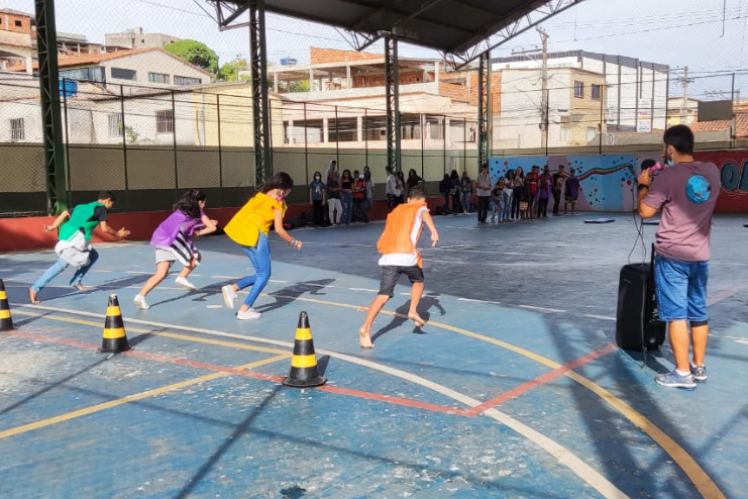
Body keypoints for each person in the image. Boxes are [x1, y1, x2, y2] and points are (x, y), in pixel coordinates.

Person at [638, 125, 720, 390]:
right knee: (698, 312)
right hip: (700, 255)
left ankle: (682, 373)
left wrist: (643, 185)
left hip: (673, 256)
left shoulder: (667, 178)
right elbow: (688, 187)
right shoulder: (712, 172)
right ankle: (698, 366)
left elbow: (646, 212)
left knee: (676, 315)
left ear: (669, 148)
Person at [359, 185, 439, 348]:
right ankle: (412, 310)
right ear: (422, 201)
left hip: (389, 256)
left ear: (408, 199)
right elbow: (425, 214)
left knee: (383, 296)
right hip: (407, 255)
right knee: (418, 281)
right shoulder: (420, 207)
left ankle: (366, 328)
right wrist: (433, 231)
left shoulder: (397, 211)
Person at [220, 173, 302, 320]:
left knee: (261, 273)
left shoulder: (261, 193)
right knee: (264, 274)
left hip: (241, 232)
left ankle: (232, 288)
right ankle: (244, 309)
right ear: (285, 189)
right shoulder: (279, 201)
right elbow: (279, 229)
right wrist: (293, 241)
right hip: (257, 234)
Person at [29, 191, 130, 304]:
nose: (111, 206)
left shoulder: (82, 206)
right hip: (75, 239)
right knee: (61, 265)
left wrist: (53, 226)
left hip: (67, 234)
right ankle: (35, 288)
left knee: (93, 255)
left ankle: (76, 281)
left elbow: (64, 213)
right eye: (112, 204)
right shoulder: (102, 209)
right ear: (107, 200)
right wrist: (118, 234)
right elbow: (104, 228)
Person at [134, 189, 217, 310]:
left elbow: (185, 226)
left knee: (161, 273)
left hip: (161, 238)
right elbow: (212, 228)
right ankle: (182, 277)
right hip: (173, 240)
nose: (204, 205)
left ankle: (140, 296)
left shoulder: (180, 211)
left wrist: (201, 226)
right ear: (199, 202)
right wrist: (202, 229)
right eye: (204, 202)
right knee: (196, 256)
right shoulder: (199, 212)